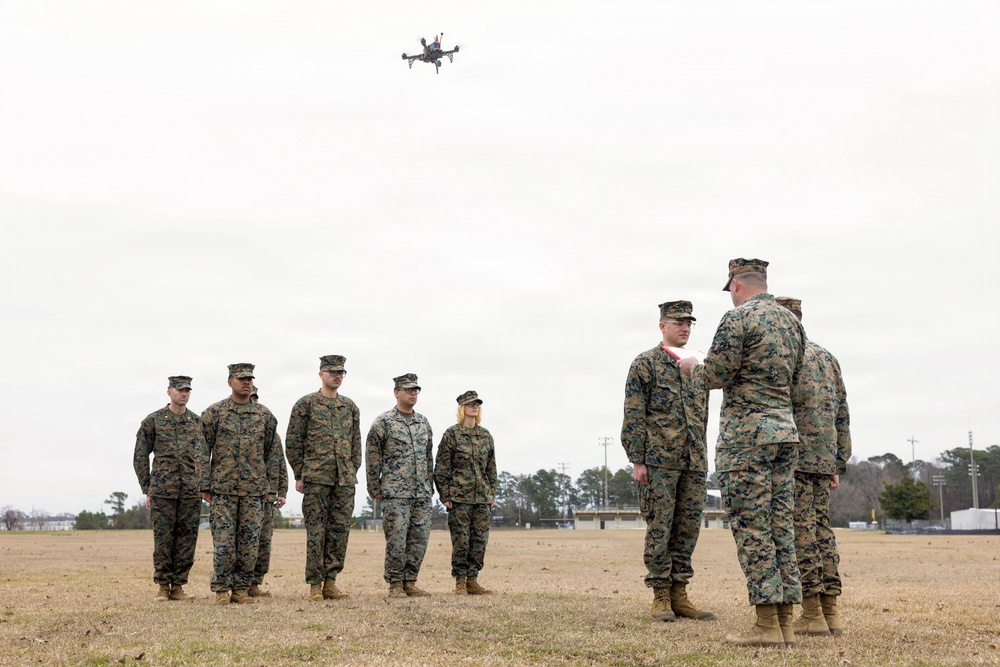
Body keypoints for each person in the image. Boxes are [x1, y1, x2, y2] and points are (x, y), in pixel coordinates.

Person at [680, 258, 805, 648]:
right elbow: (797, 380)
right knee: (780, 525)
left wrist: (690, 368)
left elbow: (716, 373)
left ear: (735, 285)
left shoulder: (738, 319)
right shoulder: (792, 322)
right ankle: (784, 621)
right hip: (785, 435)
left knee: (753, 528)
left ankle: (767, 625)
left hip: (747, 439)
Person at [621, 301, 715, 622]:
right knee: (660, 526)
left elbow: (703, 417)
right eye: (678, 322)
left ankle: (680, 593)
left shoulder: (699, 366)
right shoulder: (645, 364)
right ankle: (660, 595)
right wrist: (637, 459)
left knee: (687, 529)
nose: (685, 327)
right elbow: (634, 414)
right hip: (659, 462)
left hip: (693, 462)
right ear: (662, 326)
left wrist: (704, 456)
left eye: (689, 322)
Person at [776, 297, 851, 637]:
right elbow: (842, 412)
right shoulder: (827, 357)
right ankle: (830, 613)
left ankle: (811, 613)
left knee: (799, 533)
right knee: (822, 532)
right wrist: (838, 460)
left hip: (791, 457)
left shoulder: (782, 355)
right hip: (823, 459)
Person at [200, 363, 280, 606]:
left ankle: (241, 589)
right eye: (241, 378)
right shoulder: (214, 413)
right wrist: (204, 484)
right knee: (224, 542)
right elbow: (202, 450)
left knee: (249, 543)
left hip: (254, 492)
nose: (246, 382)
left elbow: (272, 455)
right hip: (222, 491)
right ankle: (222, 589)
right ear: (230, 382)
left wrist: (270, 488)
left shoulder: (264, 416)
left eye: (249, 379)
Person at [285, 355, 362, 601]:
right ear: (321, 374)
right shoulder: (305, 404)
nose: (337, 376)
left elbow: (355, 444)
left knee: (339, 532)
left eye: (341, 372)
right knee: (316, 532)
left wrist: (351, 469)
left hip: (344, 480)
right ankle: (315, 585)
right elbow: (293, 442)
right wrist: (300, 473)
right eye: (332, 372)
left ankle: (331, 582)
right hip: (316, 478)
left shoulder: (349, 407)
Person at [133, 375, 204, 602]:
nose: (184, 394)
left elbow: (205, 456)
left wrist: (204, 484)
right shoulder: (153, 421)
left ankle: (178, 586)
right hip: (163, 490)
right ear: (169, 392)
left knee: (187, 539)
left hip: (191, 491)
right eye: (180, 390)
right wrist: (148, 487)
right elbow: (140, 456)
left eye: (187, 390)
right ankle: (163, 585)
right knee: (164, 539)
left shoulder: (197, 422)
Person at [366, 373, 434, 598]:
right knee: (396, 539)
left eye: (416, 390)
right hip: (396, 493)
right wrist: (374, 487)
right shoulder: (384, 422)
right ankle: (395, 583)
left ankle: (410, 582)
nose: (413, 393)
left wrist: (429, 486)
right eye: (408, 390)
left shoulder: (423, 422)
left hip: (421, 493)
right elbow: (372, 457)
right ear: (396, 393)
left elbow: (428, 457)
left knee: (419, 539)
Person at [434, 390, 498, 595]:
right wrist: (445, 495)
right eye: (470, 404)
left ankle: (473, 580)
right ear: (462, 408)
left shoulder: (485, 436)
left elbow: (491, 468)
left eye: (477, 404)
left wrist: (491, 494)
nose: (474, 406)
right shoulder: (452, 434)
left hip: (482, 498)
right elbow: (441, 467)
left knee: (479, 541)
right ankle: (460, 582)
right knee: (461, 541)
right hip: (459, 498)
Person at [248, 384, 288, 598]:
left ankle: (254, 582)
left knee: (263, 542)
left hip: (267, 496)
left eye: (255, 398)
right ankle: (238, 583)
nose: (252, 401)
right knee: (244, 541)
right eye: (249, 398)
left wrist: (282, 491)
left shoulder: (270, 429)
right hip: (245, 493)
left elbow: (280, 463)